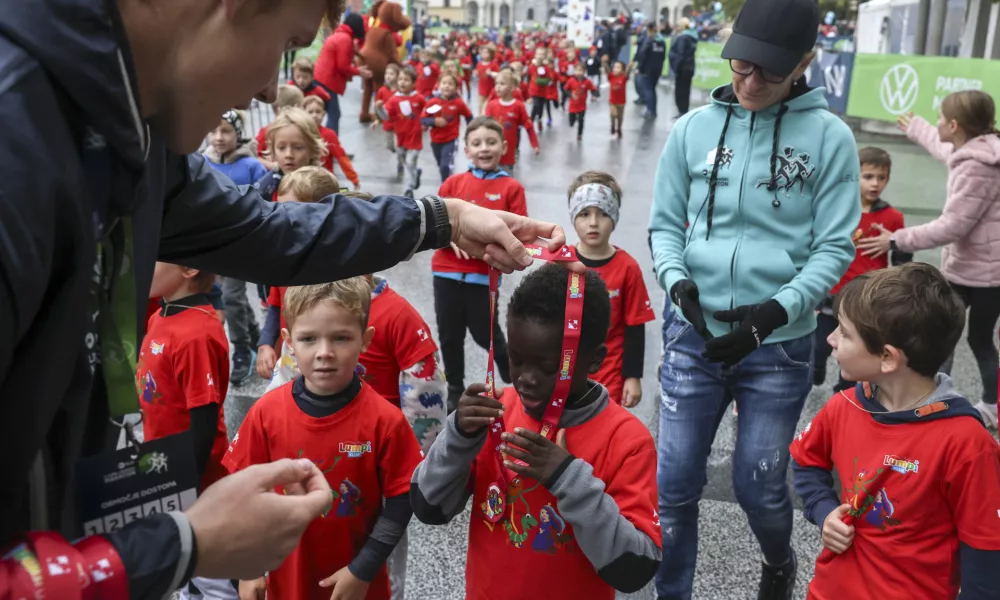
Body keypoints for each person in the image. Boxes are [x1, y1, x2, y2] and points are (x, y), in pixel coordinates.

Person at [0, 0, 571, 595]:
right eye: (287, 44)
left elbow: (268, 231)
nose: (271, 89)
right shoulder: (19, 143)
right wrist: (180, 549)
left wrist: (443, 217)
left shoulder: (126, 130)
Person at [648, 0, 859, 596]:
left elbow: (833, 248)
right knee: (674, 481)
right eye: (741, 64)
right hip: (694, 332)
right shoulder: (692, 129)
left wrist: (776, 312)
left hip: (781, 346)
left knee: (759, 482)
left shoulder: (829, 137)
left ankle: (777, 560)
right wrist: (676, 282)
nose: (750, 81)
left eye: (769, 70)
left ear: (806, 63)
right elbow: (665, 225)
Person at [410, 264, 662, 598]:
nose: (526, 378)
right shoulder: (495, 413)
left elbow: (636, 569)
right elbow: (428, 507)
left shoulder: (628, 441)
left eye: (547, 367)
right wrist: (458, 434)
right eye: (516, 359)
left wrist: (566, 477)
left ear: (594, 361)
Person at [790, 263, 1000, 598]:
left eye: (844, 333)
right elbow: (806, 461)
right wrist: (823, 509)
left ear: (887, 357)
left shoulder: (967, 444)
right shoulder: (843, 406)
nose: (829, 338)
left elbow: (986, 562)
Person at [227, 280, 423, 600]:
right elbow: (240, 492)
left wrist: (364, 567)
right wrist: (247, 568)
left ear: (365, 340)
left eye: (341, 338)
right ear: (289, 342)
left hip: (356, 584)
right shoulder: (265, 414)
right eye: (308, 339)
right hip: (286, 582)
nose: (324, 353)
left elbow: (403, 500)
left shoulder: (386, 421)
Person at [858, 90, 1000, 430]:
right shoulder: (976, 150)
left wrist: (896, 239)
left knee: (975, 338)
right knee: (942, 332)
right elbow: (947, 151)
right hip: (972, 266)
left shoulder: (978, 168)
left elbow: (951, 226)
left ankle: (990, 405)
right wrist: (919, 128)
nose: (936, 123)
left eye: (938, 118)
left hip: (984, 274)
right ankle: (936, 399)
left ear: (954, 125)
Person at [139, 263, 235, 600]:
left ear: (189, 269)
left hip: (194, 481)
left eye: (155, 258)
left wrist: (185, 485)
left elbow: (204, 419)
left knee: (210, 571)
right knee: (180, 566)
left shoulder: (198, 333)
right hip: (163, 469)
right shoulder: (160, 316)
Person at [434, 117, 527, 412]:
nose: (483, 148)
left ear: (503, 147)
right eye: (476, 143)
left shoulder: (511, 187)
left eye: (490, 142)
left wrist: (484, 248)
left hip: (483, 279)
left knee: (484, 332)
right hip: (445, 274)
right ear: (466, 149)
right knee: (449, 334)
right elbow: (433, 225)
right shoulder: (453, 183)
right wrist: (451, 240)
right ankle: (454, 386)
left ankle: (513, 376)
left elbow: (519, 234)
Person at [813, 147, 911, 391]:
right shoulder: (839, 210)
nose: (875, 183)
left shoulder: (893, 217)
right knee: (816, 350)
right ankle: (816, 370)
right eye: (868, 177)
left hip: (866, 303)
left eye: (881, 177)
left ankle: (844, 398)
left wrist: (896, 242)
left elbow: (902, 262)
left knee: (857, 360)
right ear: (854, 176)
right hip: (831, 298)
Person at [568, 172, 654, 406]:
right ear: (573, 216)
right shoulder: (560, 262)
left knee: (603, 432)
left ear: (615, 217)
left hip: (610, 372)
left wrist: (633, 376)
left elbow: (635, 325)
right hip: (565, 367)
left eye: (603, 214)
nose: (593, 223)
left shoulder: (628, 268)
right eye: (584, 214)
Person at [203, 110, 266, 382]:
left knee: (230, 296)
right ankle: (255, 336)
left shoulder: (252, 167)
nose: (218, 137)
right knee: (233, 298)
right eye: (214, 130)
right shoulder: (202, 163)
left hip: (242, 244)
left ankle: (241, 351)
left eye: (226, 131)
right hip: (211, 244)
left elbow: (265, 203)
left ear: (238, 133)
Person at [314, 13, 372, 133]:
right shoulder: (345, 39)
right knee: (334, 114)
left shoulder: (341, 35)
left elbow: (347, 52)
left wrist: (359, 55)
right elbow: (342, 66)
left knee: (323, 112)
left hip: (321, 78)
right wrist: (359, 72)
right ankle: (331, 145)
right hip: (328, 81)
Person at [254, 108, 328, 201]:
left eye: (298, 147)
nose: (288, 154)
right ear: (273, 150)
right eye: (281, 148)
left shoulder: (323, 185)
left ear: (313, 149)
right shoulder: (267, 187)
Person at [484, 71, 539, 174]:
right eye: (496, 83)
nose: (498, 87)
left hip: (508, 156)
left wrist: (534, 144)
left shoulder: (518, 106)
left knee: (505, 183)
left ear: (512, 87)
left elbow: (528, 126)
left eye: (502, 84)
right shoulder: (491, 105)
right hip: (490, 154)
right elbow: (485, 126)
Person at [422, 73, 473, 182]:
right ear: (439, 85)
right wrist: (434, 121)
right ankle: (446, 177)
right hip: (435, 140)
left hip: (451, 139)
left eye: (450, 84)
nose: (447, 86)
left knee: (445, 165)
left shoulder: (458, 103)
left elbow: (469, 116)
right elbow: (423, 119)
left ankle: (446, 186)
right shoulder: (432, 102)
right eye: (444, 83)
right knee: (441, 164)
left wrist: (472, 132)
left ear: (456, 88)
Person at [385, 66, 427, 199]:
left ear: (413, 83)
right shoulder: (394, 99)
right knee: (404, 160)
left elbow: (427, 110)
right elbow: (386, 116)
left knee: (411, 161)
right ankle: (415, 175)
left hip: (415, 137)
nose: (403, 82)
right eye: (401, 79)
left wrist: (426, 123)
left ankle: (409, 187)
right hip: (401, 138)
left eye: (407, 80)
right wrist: (379, 109)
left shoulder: (419, 98)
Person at [302, 96, 360, 189]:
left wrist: (353, 178)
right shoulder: (298, 133)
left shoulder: (329, 135)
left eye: (318, 111)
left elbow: (341, 157)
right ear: (303, 113)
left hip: (324, 181)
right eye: (310, 112)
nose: (314, 115)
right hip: (302, 180)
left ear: (324, 113)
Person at [634, 22, 667, 120]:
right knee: (652, 90)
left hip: (647, 69)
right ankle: (653, 111)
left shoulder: (649, 41)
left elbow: (642, 55)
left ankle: (650, 111)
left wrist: (639, 67)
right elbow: (663, 56)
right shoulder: (661, 41)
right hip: (657, 69)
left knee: (648, 90)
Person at [668, 18, 697, 117]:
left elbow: (680, 54)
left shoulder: (683, 38)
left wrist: (675, 68)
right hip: (689, 68)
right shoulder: (692, 36)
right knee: (686, 90)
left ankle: (682, 111)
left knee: (680, 91)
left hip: (682, 69)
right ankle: (683, 110)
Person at [372, 63, 402, 154]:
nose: (388, 76)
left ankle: (401, 155)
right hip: (387, 122)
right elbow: (377, 106)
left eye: (391, 74)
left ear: (397, 76)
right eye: (386, 73)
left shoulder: (401, 90)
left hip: (400, 121)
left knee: (400, 144)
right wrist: (377, 119)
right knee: (389, 145)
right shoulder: (382, 90)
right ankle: (394, 152)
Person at [564, 62, 598, 141]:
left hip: (582, 106)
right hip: (572, 105)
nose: (578, 72)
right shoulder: (571, 80)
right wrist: (571, 95)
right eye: (577, 70)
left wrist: (595, 95)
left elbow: (593, 89)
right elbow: (566, 89)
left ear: (584, 72)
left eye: (581, 70)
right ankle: (573, 119)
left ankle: (579, 134)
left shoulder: (587, 82)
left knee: (581, 120)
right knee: (571, 122)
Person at [604, 59, 634, 136]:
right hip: (612, 101)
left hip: (621, 101)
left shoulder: (623, 78)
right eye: (614, 67)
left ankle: (619, 128)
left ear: (622, 70)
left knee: (620, 117)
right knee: (613, 114)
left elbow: (627, 74)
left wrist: (629, 67)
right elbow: (607, 71)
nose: (615, 69)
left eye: (618, 67)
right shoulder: (611, 77)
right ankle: (613, 125)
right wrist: (605, 63)